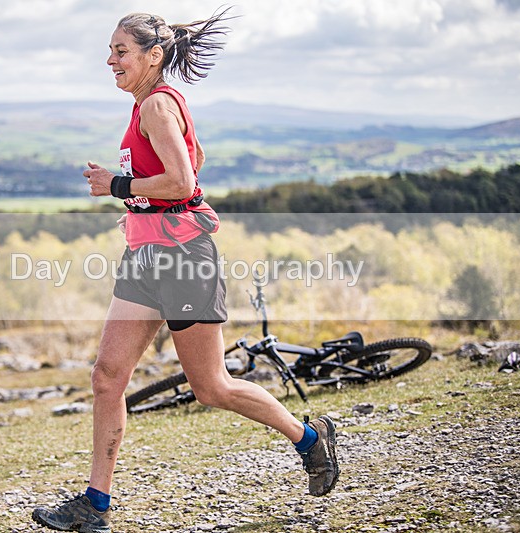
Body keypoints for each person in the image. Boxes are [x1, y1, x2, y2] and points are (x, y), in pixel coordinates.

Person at [32, 9, 339, 533]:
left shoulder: (155, 104)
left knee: (212, 387)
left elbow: (182, 180)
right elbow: (195, 155)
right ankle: (94, 507)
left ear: (154, 56)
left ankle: (310, 439)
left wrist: (118, 186)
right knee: (107, 378)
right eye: (109, 51)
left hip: (183, 262)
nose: (110, 60)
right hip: (145, 259)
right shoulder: (151, 107)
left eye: (120, 51)